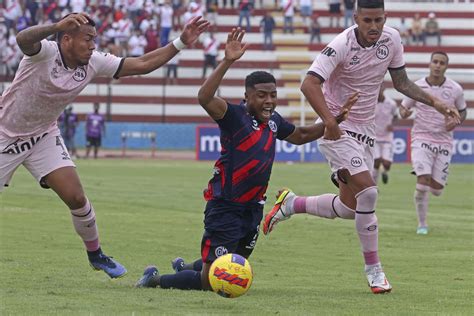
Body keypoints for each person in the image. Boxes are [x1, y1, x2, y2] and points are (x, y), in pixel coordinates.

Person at [135, 28, 358, 290]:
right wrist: (228, 61)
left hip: (253, 207)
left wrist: (334, 120)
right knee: (211, 281)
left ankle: (185, 267)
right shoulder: (234, 117)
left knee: (234, 263)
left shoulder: (274, 122)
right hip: (225, 206)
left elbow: (301, 134)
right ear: (247, 97)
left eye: (272, 94)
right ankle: (156, 280)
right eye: (261, 95)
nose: (269, 101)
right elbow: (204, 97)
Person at [262, 0, 460, 294]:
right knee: (369, 192)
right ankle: (375, 272)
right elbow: (309, 84)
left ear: (385, 17)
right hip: (338, 126)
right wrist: (330, 121)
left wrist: (437, 102)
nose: (374, 27)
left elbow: (402, 82)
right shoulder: (341, 43)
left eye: (378, 20)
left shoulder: (392, 39)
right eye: (367, 21)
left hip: (367, 130)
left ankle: (291, 203)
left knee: (350, 209)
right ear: (355, 18)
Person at [0, 13, 209, 279]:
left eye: (94, 40)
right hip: (6, 134)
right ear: (66, 39)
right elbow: (22, 39)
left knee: (76, 197)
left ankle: (96, 254)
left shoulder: (94, 62)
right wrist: (54, 25)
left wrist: (181, 42)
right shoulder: (44, 53)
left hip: (42, 136)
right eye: (87, 40)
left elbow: (142, 63)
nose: (92, 46)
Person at [399, 52, 466, 235]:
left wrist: (455, 121)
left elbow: (463, 112)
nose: (437, 65)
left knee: (436, 190)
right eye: (435, 62)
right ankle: (422, 224)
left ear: (446, 66)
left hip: (444, 141)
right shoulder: (417, 86)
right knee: (422, 182)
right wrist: (403, 112)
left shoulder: (455, 89)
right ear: (429, 64)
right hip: (421, 138)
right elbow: (404, 108)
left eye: (441, 63)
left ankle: (430, 185)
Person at [373, 85, 398, 185]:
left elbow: (396, 116)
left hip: (387, 137)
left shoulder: (391, 104)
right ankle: (373, 185)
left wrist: (392, 124)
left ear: (383, 89)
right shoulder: (371, 103)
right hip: (374, 137)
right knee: (377, 160)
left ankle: (384, 171)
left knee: (386, 164)